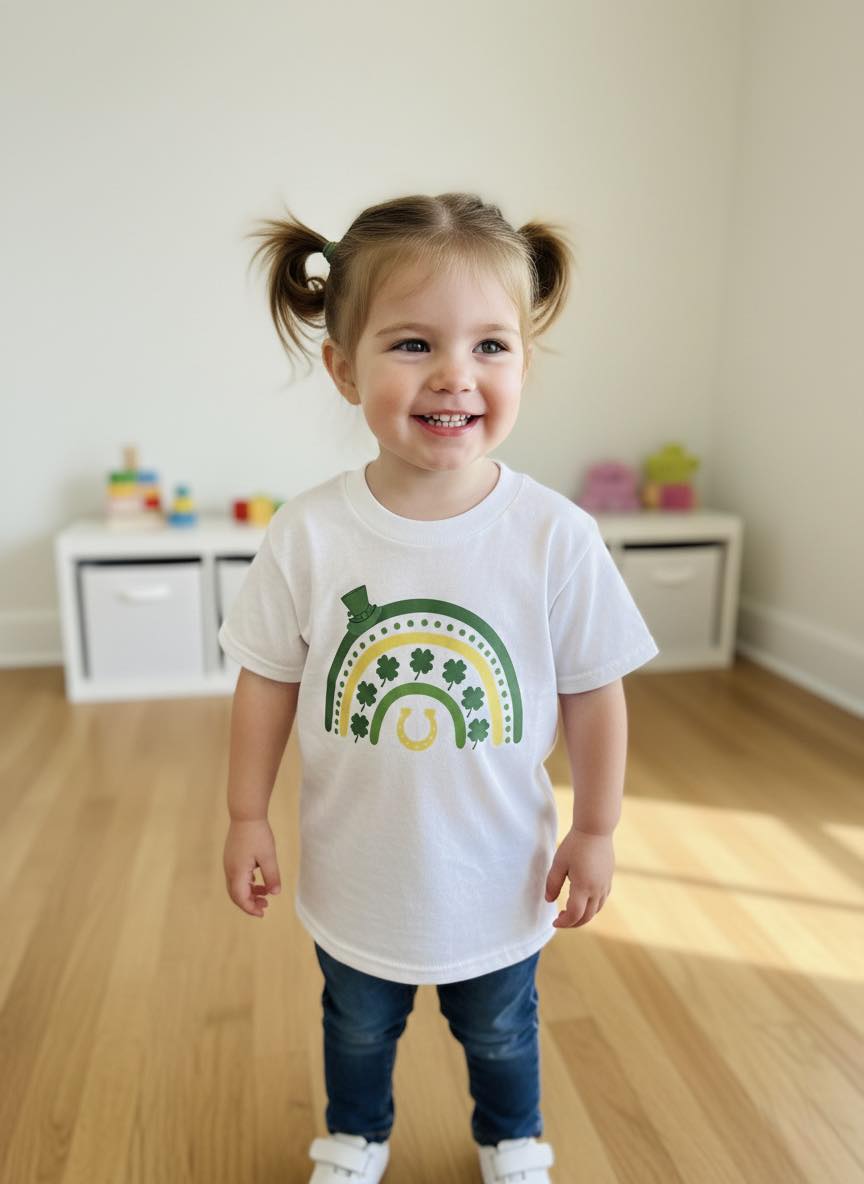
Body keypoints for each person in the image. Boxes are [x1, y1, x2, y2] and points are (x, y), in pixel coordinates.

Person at [219, 191, 660, 1184]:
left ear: (524, 363)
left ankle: (513, 1139)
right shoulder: (310, 532)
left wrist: (596, 824)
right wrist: (246, 810)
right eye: (414, 343)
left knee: (502, 1027)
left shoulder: (553, 536)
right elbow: (266, 677)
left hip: (499, 873)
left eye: (492, 346)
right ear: (343, 368)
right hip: (357, 869)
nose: (457, 375)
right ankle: (356, 1135)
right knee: (356, 1024)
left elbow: (596, 690)